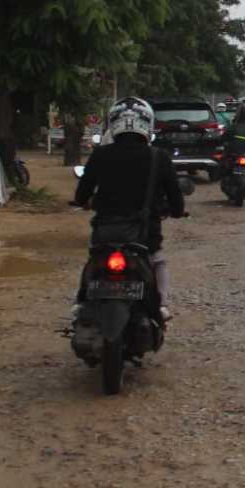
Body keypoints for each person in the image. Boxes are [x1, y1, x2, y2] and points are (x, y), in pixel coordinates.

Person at [73, 97, 185, 321]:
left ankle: (80, 303)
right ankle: (161, 306)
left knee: (93, 262)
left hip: (105, 231)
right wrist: (175, 210)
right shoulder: (158, 156)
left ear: (112, 123)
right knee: (158, 262)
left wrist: (87, 201)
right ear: (148, 124)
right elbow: (177, 202)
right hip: (145, 235)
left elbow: (81, 195)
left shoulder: (101, 154)